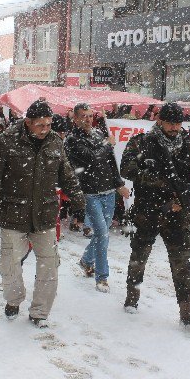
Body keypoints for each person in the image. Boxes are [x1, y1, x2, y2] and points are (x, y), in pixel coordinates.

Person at [0, 99, 85, 328]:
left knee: (49, 265)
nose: (45, 129)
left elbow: (66, 175)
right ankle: (14, 299)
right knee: (9, 263)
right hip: (13, 213)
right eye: (40, 125)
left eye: (48, 124)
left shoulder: (55, 143)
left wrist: (78, 202)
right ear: (28, 122)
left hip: (45, 214)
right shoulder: (7, 141)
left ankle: (40, 311)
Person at [120, 102, 190, 329]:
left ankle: (187, 312)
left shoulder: (188, 146)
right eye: (170, 123)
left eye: (178, 123)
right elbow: (126, 169)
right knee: (139, 256)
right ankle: (132, 297)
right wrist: (155, 178)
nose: (175, 127)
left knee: (181, 261)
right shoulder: (142, 143)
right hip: (147, 209)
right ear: (160, 121)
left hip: (176, 213)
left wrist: (182, 199)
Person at [64, 103, 130, 293]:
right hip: (89, 193)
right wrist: (107, 144)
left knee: (103, 234)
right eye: (83, 116)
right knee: (102, 234)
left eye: (90, 115)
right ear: (75, 118)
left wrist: (119, 184)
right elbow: (92, 159)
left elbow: (111, 163)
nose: (87, 119)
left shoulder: (100, 134)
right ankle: (102, 277)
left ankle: (86, 260)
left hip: (108, 192)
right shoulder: (71, 140)